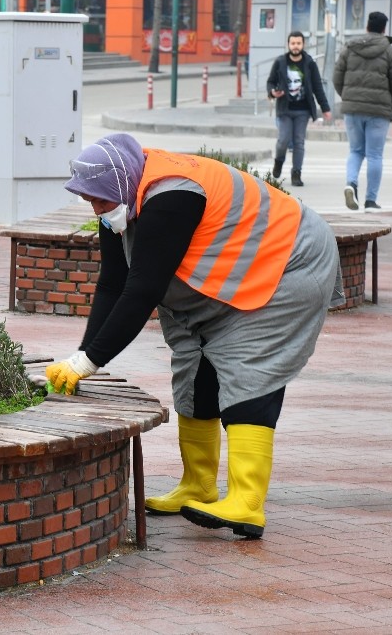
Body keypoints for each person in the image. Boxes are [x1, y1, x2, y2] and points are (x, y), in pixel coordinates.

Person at [45, 134, 344, 539]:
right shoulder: (121, 194)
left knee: (249, 366)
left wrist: (90, 361)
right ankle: (198, 484)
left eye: (100, 200)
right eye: (89, 201)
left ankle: (247, 502)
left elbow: (144, 288)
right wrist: (82, 352)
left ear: (120, 185)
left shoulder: (171, 196)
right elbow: (113, 284)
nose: (96, 208)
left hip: (287, 263)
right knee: (194, 364)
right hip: (228, 277)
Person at [332, 11, 392, 211]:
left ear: (367, 27)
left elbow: (337, 77)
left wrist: (347, 97)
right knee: (374, 155)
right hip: (379, 111)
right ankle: (370, 201)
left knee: (356, 151)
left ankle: (351, 184)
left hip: (352, 109)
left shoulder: (350, 48)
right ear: (384, 30)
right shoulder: (391, 51)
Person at [266, 31, 333, 187]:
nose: (295, 46)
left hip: (303, 110)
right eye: (293, 43)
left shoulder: (309, 64)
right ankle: (279, 161)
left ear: (303, 45)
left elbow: (317, 87)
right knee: (283, 140)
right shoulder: (280, 62)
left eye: (298, 43)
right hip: (284, 108)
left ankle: (296, 173)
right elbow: (270, 82)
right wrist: (272, 92)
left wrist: (325, 108)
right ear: (288, 45)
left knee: (299, 142)